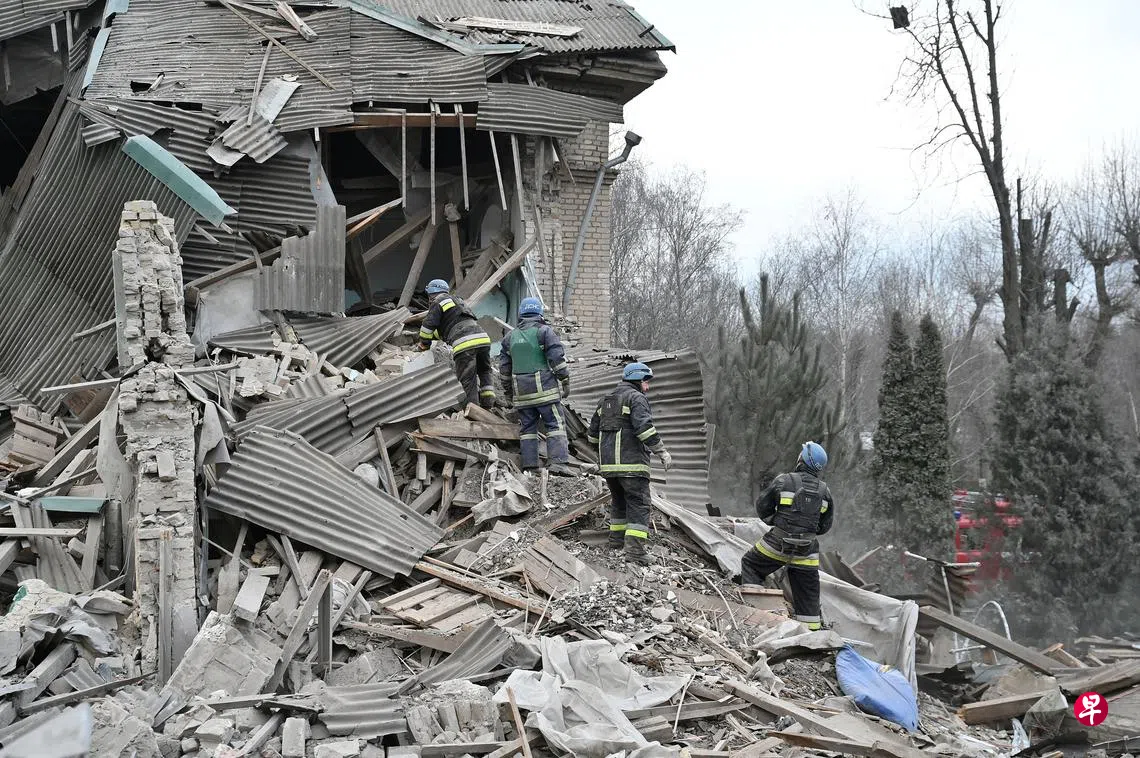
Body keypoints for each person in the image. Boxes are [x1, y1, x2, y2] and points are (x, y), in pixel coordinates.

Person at [740, 441, 835, 630]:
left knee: (751, 564)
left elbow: (763, 507)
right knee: (808, 597)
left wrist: (777, 521)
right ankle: (809, 635)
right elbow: (824, 527)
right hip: (806, 553)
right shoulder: (825, 491)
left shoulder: (784, 481)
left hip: (776, 544)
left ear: (802, 459)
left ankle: (754, 617)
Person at [587, 362, 673, 565]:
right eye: (646, 381)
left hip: (609, 468)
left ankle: (616, 542)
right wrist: (662, 451)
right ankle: (635, 552)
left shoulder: (605, 401)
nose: (647, 387)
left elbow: (592, 436)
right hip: (632, 466)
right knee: (639, 505)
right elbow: (645, 429)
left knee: (619, 503)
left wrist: (604, 455)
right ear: (637, 379)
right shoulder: (636, 398)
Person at [500, 297, 574, 476]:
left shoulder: (509, 337)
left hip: (522, 395)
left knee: (527, 430)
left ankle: (530, 467)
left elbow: (504, 370)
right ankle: (558, 463)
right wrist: (565, 381)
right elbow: (557, 360)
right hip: (545, 391)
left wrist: (508, 394)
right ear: (539, 313)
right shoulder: (545, 331)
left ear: (521, 314)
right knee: (555, 424)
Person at [417, 279, 495, 409]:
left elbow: (427, 326)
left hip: (465, 343)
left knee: (468, 380)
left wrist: (424, 344)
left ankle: (473, 412)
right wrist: (432, 337)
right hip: (483, 338)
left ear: (431, 293)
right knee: (484, 371)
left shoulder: (438, 301)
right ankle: (488, 403)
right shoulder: (457, 301)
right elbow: (448, 329)